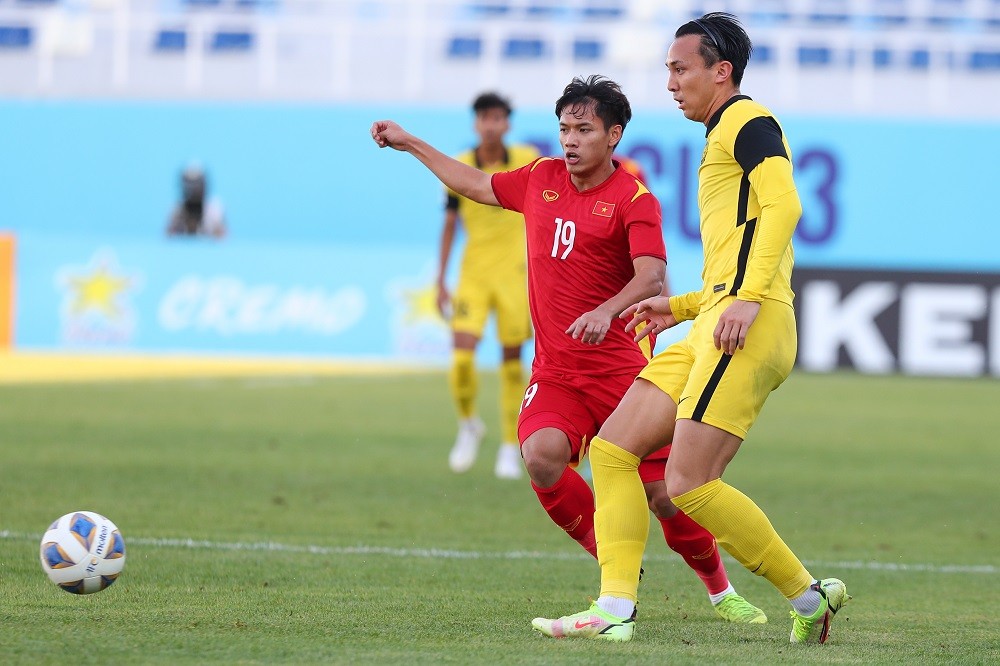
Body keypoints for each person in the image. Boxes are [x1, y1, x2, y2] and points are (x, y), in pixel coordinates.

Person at [372, 74, 764, 628]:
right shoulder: (540, 179)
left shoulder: (634, 198)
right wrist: (411, 143)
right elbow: (476, 185)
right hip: (558, 372)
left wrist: (607, 310)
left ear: (614, 135)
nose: (571, 140)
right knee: (541, 455)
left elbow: (653, 277)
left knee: (665, 494)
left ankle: (722, 591)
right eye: (564, 129)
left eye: (584, 129)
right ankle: (614, 573)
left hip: (626, 374)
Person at [531, 13, 850, 645]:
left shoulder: (747, 121)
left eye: (681, 69)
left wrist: (749, 298)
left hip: (746, 326)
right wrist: (677, 308)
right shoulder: (721, 135)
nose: (671, 83)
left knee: (688, 484)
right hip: (715, 319)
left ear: (720, 71)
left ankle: (808, 596)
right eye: (669, 70)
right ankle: (613, 608)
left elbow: (786, 206)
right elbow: (741, 252)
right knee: (618, 450)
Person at [438, 92, 540, 480]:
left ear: (507, 124)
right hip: (473, 275)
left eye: (498, 118)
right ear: (476, 123)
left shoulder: (527, 159)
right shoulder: (460, 166)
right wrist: (440, 278)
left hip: (516, 274)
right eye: (485, 118)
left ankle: (509, 447)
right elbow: (449, 223)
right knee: (461, 361)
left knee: (512, 365)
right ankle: (468, 425)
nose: (491, 125)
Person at [166, 164, 227, 239]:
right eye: (189, 184)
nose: (192, 189)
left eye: (196, 184)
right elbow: (168, 236)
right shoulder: (178, 209)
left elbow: (223, 237)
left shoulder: (213, 209)